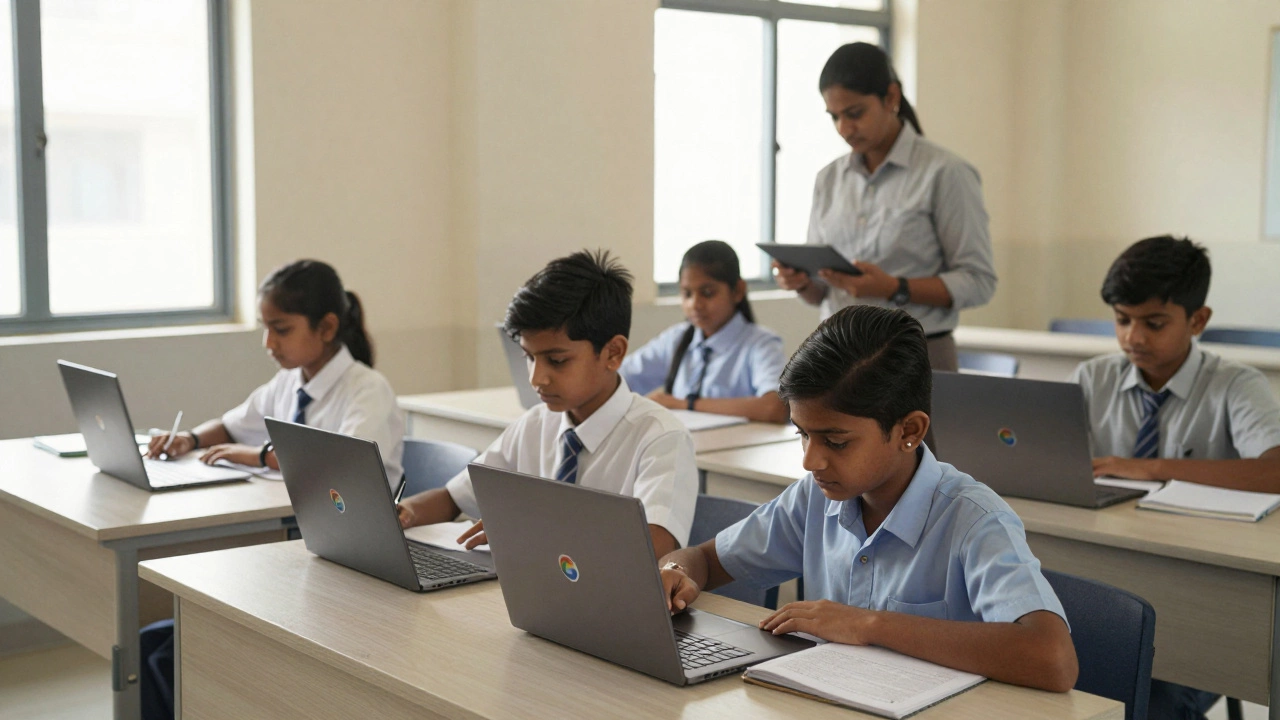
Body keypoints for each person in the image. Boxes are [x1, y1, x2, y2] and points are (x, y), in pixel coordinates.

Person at [657, 305, 1078, 693]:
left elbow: (1052, 658)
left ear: (909, 431)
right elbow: (707, 560)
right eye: (802, 434)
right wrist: (677, 571)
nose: (809, 460)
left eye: (836, 442)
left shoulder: (973, 519)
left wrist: (870, 624)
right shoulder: (814, 498)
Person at [1072, 235, 1280, 717]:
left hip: (1204, 605)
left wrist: (1149, 469)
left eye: (1154, 323)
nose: (1134, 338)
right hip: (1110, 576)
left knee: (1153, 699)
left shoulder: (1235, 384)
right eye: (1122, 320)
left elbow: (1275, 470)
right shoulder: (1092, 378)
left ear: (1198, 320)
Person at [396, 250, 698, 558]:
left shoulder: (660, 439)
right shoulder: (535, 424)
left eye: (557, 360)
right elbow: (455, 497)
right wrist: (406, 511)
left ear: (613, 353)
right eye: (528, 357)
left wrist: (536, 531)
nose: (537, 378)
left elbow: (652, 545)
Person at [772, 42, 997, 371]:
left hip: (915, 356)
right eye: (834, 117)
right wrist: (803, 282)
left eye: (855, 113)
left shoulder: (945, 173)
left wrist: (894, 288)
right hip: (839, 355)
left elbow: (979, 282)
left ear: (891, 98)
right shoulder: (828, 179)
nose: (844, 129)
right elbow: (821, 293)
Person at [145, 259, 405, 490]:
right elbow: (230, 427)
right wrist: (190, 439)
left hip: (355, 531)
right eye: (265, 328)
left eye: (281, 330)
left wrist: (260, 456)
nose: (268, 343)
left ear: (326, 327)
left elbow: (344, 467)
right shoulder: (288, 381)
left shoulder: (368, 390)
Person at [622, 240, 787, 423]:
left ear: (738, 291)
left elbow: (775, 407)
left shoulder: (760, 343)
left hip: (742, 448)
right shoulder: (677, 338)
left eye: (707, 293)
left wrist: (686, 404)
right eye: (687, 294)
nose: (695, 304)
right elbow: (620, 379)